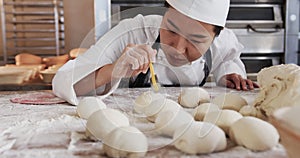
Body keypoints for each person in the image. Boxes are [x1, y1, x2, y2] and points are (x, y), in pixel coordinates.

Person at [53, 0, 258, 105]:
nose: (177, 49)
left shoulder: (223, 41)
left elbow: (228, 57)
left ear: (215, 37)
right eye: (171, 30)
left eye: (195, 40)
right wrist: (112, 70)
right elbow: (62, 81)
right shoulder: (131, 32)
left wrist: (228, 73)